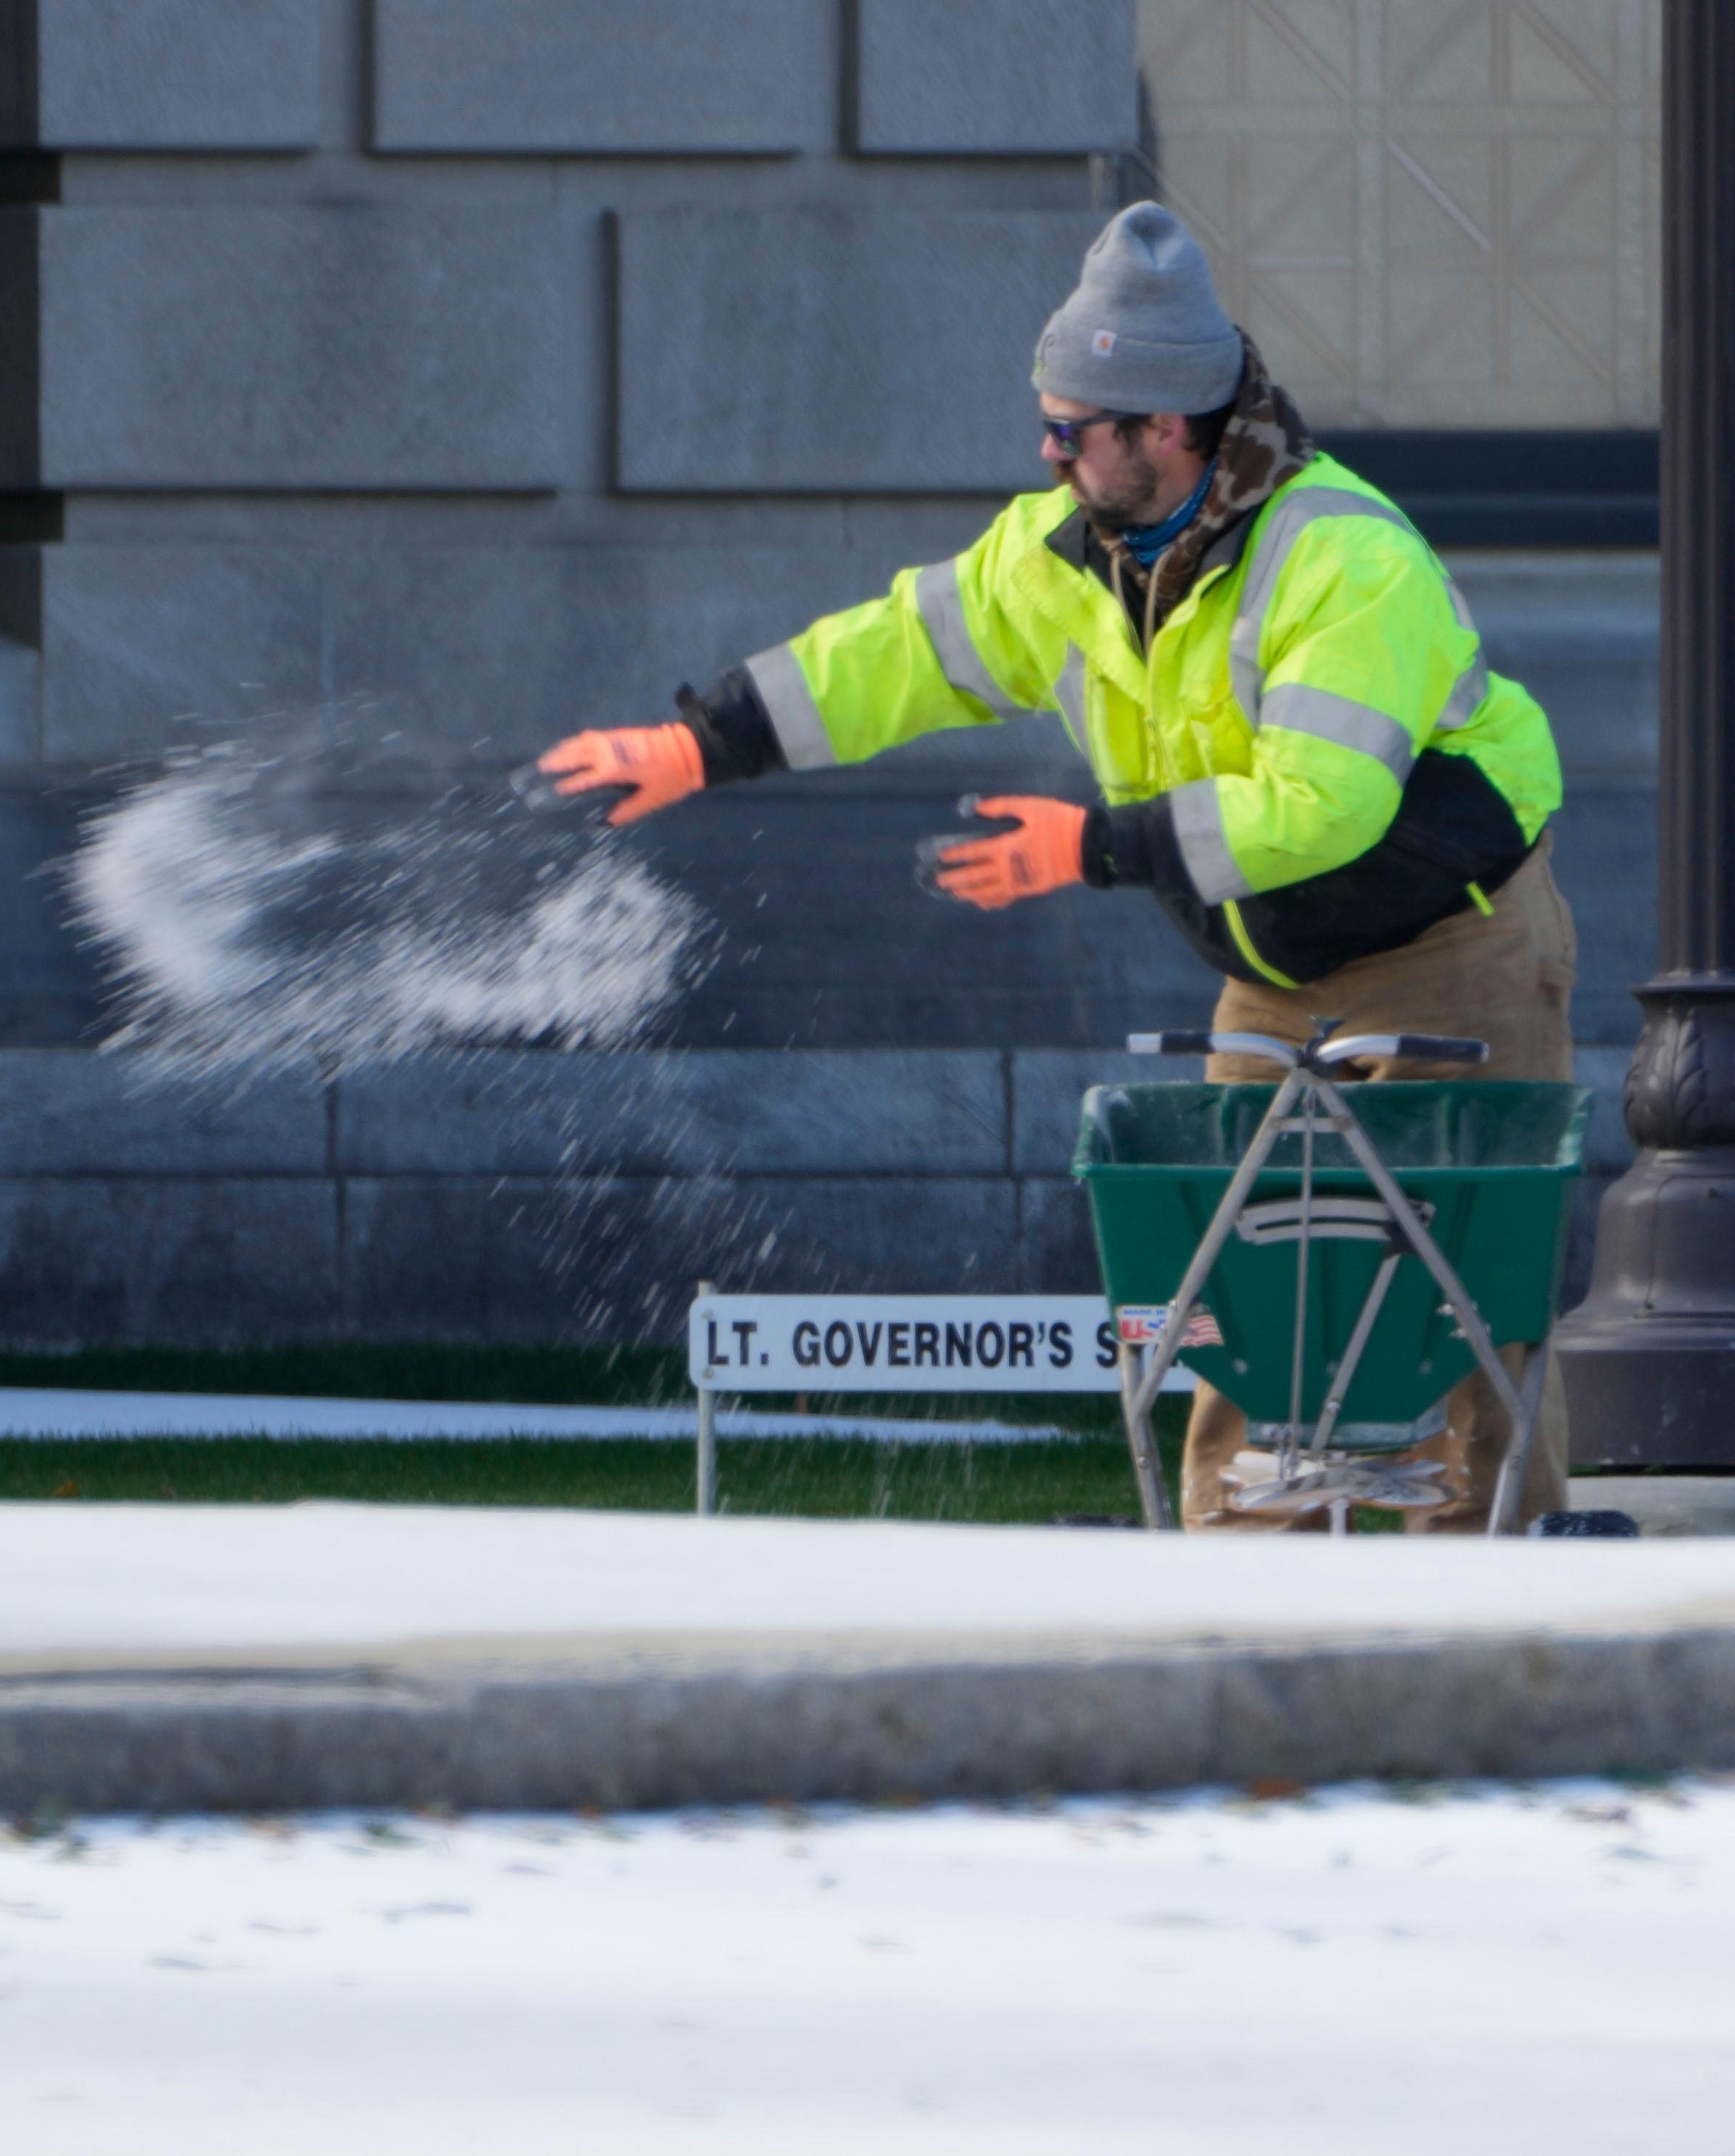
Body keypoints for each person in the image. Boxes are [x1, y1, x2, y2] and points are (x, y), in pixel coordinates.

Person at [530, 203, 1574, 1534]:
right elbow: (895, 651)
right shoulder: (1062, 554)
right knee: (1244, 1292)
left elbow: (1324, 809)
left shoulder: (1344, 559)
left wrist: (1088, 846)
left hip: (1456, 947)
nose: (1047, 450)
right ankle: (1234, 1602)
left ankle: (1527, 1594)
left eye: (1073, 428)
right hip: (1272, 967)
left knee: (1467, 1298)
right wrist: (702, 741)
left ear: (1167, 427)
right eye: (1049, 419)